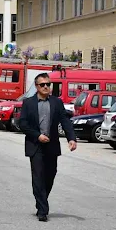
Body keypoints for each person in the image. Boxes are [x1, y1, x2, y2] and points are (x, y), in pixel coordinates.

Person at [19, 73, 77, 222]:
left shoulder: (57, 103)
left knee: (50, 176)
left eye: (48, 84)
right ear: (37, 87)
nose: (46, 87)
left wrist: (71, 138)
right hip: (35, 145)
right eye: (42, 84)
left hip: (51, 146)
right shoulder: (28, 103)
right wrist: (37, 135)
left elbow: (65, 120)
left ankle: (41, 200)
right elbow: (23, 124)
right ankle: (42, 210)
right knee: (38, 177)